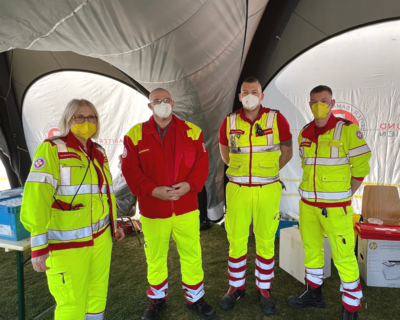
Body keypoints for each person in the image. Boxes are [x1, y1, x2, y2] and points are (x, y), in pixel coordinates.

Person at [21, 99, 125, 320]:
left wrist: (113, 226)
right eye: (80, 117)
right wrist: (38, 245)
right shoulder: (51, 148)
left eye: (91, 117)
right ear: (68, 120)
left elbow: (103, 194)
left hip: (101, 240)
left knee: (97, 295)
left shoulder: (98, 151)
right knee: (72, 303)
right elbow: (36, 198)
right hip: (67, 244)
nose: (86, 122)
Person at [122, 88, 216, 320]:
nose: (162, 104)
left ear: (173, 102)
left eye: (166, 100)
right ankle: (157, 299)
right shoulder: (134, 135)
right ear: (150, 106)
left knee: (192, 253)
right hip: (154, 210)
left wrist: (189, 186)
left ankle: (196, 298)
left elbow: (202, 166)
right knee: (155, 256)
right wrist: (153, 191)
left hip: (186, 208)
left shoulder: (192, 132)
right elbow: (130, 171)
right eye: (157, 101)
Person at [287, 85, 371, 320]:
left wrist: (345, 194)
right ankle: (314, 293)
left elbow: (361, 168)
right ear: (309, 105)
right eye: (314, 102)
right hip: (308, 206)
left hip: (336, 209)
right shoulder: (304, 133)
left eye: (323, 100)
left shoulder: (348, 131)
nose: (318, 105)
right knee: (311, 250)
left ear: (332, 103)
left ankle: (351, 307)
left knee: (344, 256)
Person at [218, 77, 293, 315]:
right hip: (238, 189)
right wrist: (242, 175)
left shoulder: (276, 118)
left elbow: (287, 152)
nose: (250, 95)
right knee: (236, 238)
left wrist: (268, 173)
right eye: (245, 92)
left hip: (267, 189)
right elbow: (225, 154)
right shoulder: (229, 121)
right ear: (240, 96)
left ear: (262, 95)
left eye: (254, 91)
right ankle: (236, 287)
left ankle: (264, 288)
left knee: (265, 238)